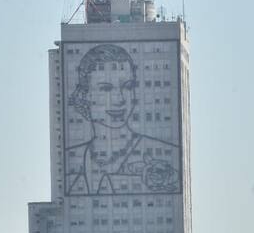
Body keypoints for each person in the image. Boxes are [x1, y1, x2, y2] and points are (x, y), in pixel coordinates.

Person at [63, 43, 181, 196]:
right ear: (85, 94)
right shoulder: (69, 159)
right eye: (106, 89)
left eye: (127, 86)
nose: (120, 99)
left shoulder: (168, 154)